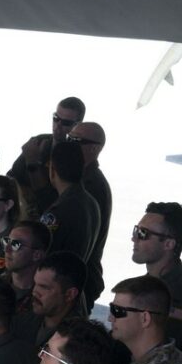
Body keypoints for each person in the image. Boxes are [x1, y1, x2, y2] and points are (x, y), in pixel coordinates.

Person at [131, 202, 182, 354]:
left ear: (168, 244)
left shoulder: (176, 299)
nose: (134, 238)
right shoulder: (153, 284)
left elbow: (157, 357)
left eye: (143, 233)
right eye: (136, 230)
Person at [8, 97, 86, 218]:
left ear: (78, 125)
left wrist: (33, 163)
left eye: (66, 123)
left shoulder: (77, 156)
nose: (58, 125)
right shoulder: (38, 141)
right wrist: (23, 193)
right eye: (56, 118)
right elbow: (11, 177)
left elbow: (60, 199)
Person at [39, 140, 101, 264]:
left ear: (52, 170)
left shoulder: (57, 211)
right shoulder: (92, 203)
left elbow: (39, 249)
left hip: (56, 273)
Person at [70, 122, 111, 307]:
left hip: (78, 279)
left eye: (76, 140)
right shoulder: (83, 179)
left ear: (94, 148)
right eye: (69, 138)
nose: (69, 144)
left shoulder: (92, 186)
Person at [15, 251, 86, 348]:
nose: (34, 292)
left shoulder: (79, 342)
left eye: (44, 287)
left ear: (70, 294)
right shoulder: (23, 318)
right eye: (35, 283)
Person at [2, 219, 50, 314]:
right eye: (7, 241)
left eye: (16, 244)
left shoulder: (46, 298)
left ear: (36, 255)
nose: (7, 249)